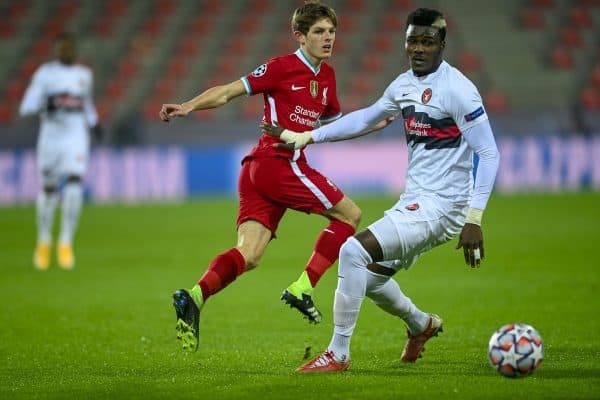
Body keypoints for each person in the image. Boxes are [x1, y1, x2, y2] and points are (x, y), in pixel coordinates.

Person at [262, 7, 500, 372]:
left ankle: (338, 353)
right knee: (367, 277)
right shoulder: (404, 85)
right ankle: (421, 324)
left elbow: (489, 152)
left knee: (351, 251)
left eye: (427, 41)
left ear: (442, 45)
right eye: (412, 41)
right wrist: (307, 135)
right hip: (416, 200)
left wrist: (474, 218)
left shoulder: (459, 91)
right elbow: (365, 118)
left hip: (446, 205)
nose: (418, 49)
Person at [159, 1, 390, 352]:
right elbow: (228, 90)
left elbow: (332, 130)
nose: (328, 38)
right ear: (300, 36)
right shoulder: (281, 67)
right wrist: (188, 106)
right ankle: (303, 287)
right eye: (319, 32)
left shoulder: (327, 78)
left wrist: (370, 127)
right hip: (277, 163)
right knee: (351, 215)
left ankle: (194, 296)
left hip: (258, 170)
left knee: (249, 255)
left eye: (332, 31)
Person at [19, 32, 101, 271]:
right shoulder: (45, 74)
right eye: (62, 48)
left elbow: (86, 104)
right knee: (49, 189)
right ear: (56, 50)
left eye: (69, 48)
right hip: (51, 137)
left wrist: (95, 122)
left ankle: (65, 243)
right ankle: (44, 241)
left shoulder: (84, 75)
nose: (66, 51)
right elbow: (27, 106)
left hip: (76, 136)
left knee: (75, 182)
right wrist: (47, 103)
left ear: (73, 50)